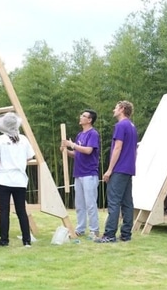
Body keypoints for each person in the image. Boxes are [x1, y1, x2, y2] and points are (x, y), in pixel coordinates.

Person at [0, 112, 35, 247]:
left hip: (4, 178)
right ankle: (26, 240)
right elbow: (30, 156)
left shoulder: (1, 140)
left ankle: (4, 239)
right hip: (20, 179)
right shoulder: (24, 139)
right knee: (21, 210)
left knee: (4, 211)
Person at [95, 101, 137, 243]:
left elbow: (117, 148)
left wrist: (109, 170)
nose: (114, 110)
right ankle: (126, 234)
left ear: (122, 109)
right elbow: (134, 150)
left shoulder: (121, 125)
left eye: (116, 107)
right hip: (129, 168)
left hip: (119, 168)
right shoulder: (132, 126)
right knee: (127, 202)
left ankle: (109, 234)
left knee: (114, 201)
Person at [61, 109, 101, 240]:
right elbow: (77, 154)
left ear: (89, 120)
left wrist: (71, 144)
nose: (81, 117)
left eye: (84, 116)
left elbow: (88, 150)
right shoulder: (79, 135)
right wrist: (66, 151)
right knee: (79, 204)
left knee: (90, 203)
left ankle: (94, 230)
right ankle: (80, 228)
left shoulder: (93, 134)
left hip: (89, 173)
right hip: (78, 173)